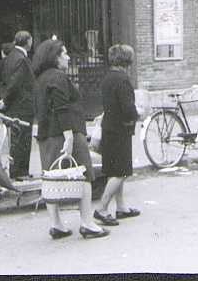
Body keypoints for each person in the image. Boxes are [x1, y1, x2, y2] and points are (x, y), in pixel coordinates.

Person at [33, 39, 109, 239]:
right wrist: (68, 137)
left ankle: (57, 224)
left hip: (46, 135)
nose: (68, 57)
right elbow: (61, 107)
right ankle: (87, 223)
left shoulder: (40, 78)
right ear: (55, 58)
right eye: (64, 54)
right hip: (68, 133)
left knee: (50, 177)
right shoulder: (58, 77)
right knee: (84, 175)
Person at [94, 44, 140, 227]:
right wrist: (137, 115)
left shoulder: (107, 78)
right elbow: (128, 108)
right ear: (127, 61)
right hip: (120, 129)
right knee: (121, 172)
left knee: (116, 170)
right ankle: (102, 208)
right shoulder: (123, 80)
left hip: (109, 128)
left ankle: (121, 208)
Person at [0, 31, 35, 179]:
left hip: (13, 105)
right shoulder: (22, 59)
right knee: (23, 139)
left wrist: (4, 99)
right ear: (28, 41)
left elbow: (5, 81)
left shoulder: (9, 58)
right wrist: (5, 99)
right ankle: (21, 172)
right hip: (22, 105)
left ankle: (16, 171)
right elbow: (16, 83)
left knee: (15, 139)